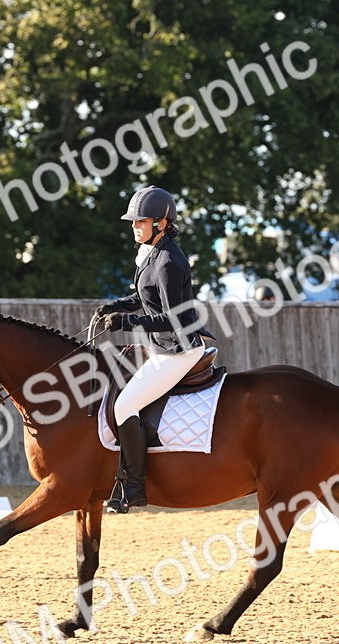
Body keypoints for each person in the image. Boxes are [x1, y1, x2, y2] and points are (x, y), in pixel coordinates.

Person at [96, 185, 215, 513]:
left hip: (176, 350)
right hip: (160, 346)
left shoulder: (167, 261)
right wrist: (115, 306)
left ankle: (134, 487)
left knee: (124, 407)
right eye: (132, 222)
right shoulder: (152, 252)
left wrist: (124, 325)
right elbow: (144, 298)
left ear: (161, 223)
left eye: (140, 221)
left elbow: (170, 318)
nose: (134, 226)